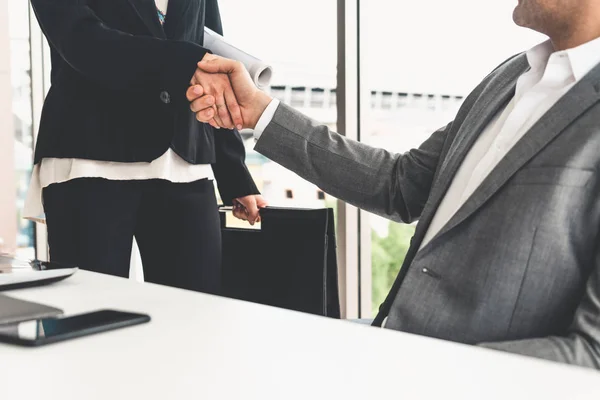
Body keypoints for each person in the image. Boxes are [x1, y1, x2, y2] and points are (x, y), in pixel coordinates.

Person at [187, 0, 600, 367]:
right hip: (389, 352)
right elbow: (402, 183)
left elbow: (592, 352)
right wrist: (259, 112)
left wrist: (428, 369)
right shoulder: (511, 75)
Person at [24, 0, 267, 295]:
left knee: (194, 323)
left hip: (185, 161)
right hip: (91, 154)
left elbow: (213, 52)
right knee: (91, 321)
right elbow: (79, 38)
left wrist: (234, 173)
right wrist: (184, 63)